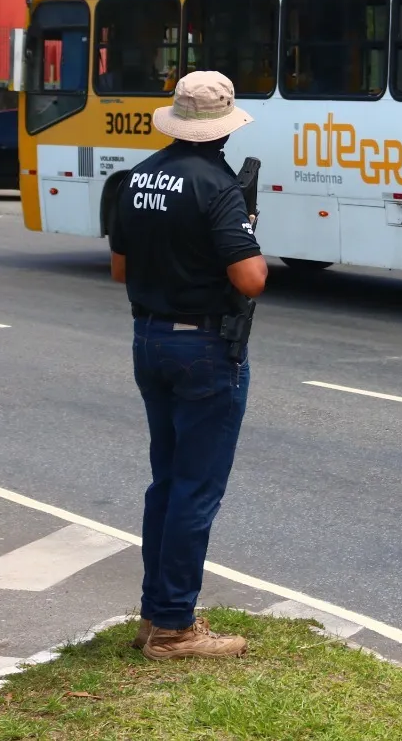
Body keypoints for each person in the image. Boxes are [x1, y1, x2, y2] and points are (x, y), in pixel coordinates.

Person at [108, 71, 268, 660]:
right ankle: (174, 628)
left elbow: (120, 269)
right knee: (196, 491)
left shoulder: (140, 176)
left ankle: (157, 613)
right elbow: (250, 278)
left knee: (168, 482)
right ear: (224, 128)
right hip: (203, 348)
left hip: (148, 339)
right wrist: (248, 232)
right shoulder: (217, 185)